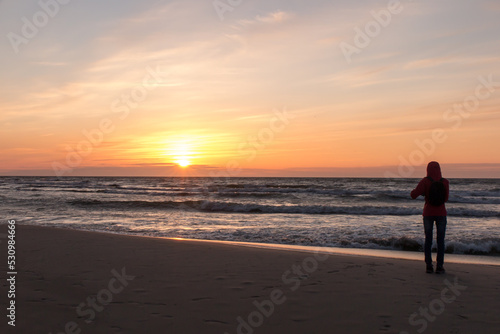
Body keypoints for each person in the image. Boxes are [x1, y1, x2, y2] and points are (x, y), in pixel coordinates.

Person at [410, 161, 449, 274]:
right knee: (440, 241)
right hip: (441, 213)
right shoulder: (445, 182)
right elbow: (445, 199)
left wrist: (423, 192)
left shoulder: (425, 181)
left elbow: (413, 195)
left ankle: (429, 266)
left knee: (428, 240)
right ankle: (440, 266)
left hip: (428, 213)